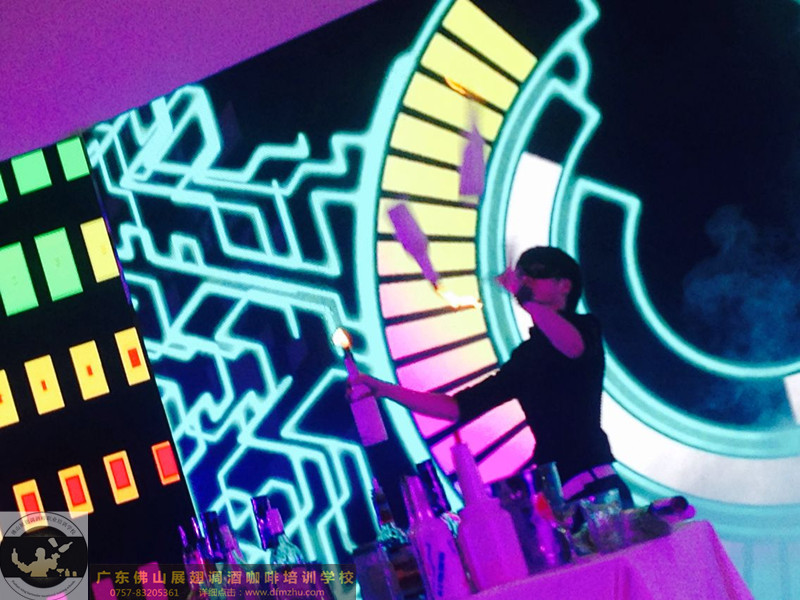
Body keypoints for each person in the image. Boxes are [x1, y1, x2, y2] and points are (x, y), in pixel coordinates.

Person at [349, 246, 632, 508]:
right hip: (560, 495)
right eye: (523, 274)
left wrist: (527, 300)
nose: (527, 280)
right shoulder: (526, 357)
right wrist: (384, 389)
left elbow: (572, 347)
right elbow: (456, 407)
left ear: (565, 285)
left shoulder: (585, 328)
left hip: (596, 485)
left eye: (538, 272)